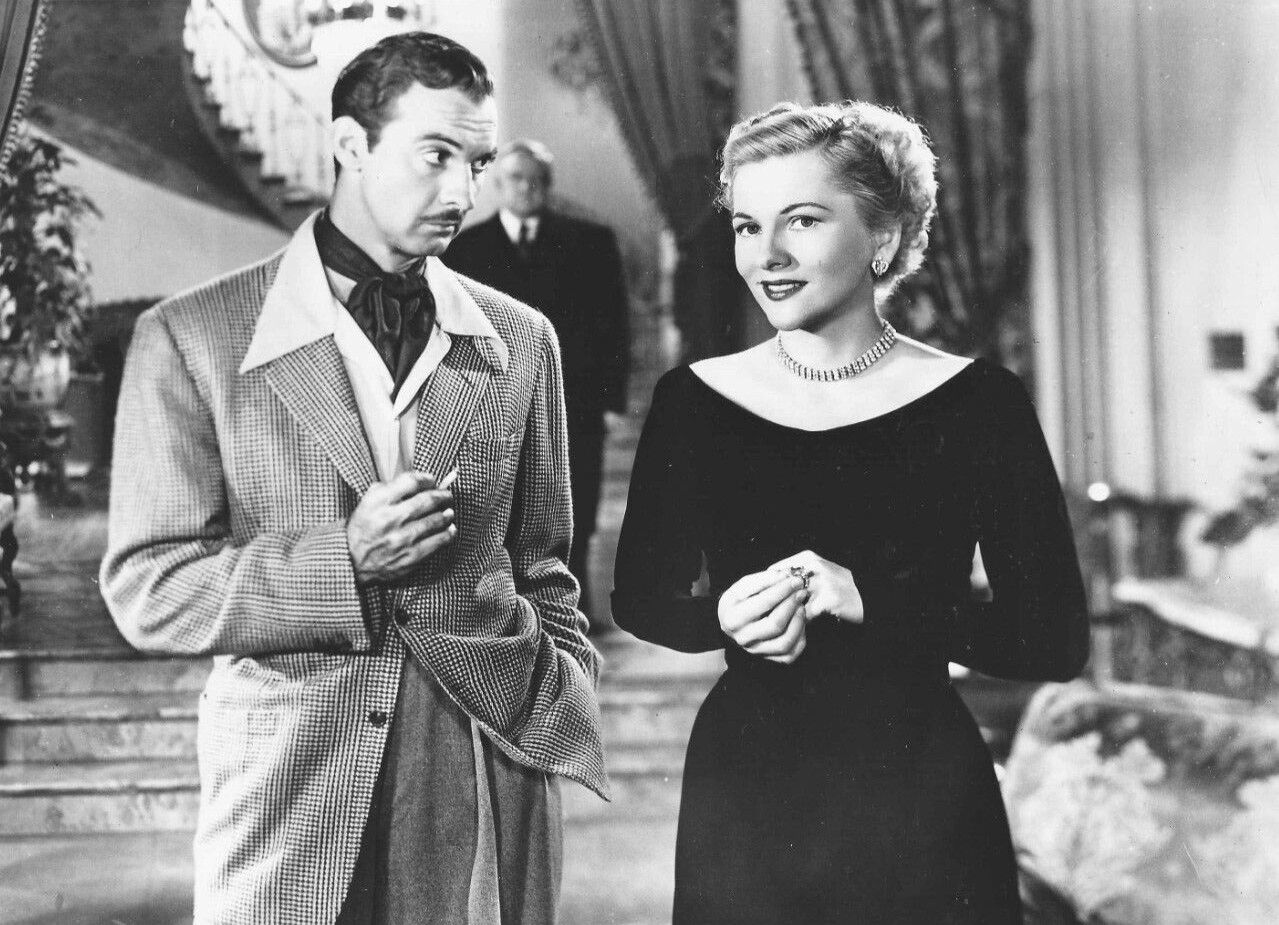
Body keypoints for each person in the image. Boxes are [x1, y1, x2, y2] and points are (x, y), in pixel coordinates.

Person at [100, 32, 606, 925]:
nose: (463, 193)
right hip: (290, 770)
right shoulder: (192, 336)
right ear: (349, 145)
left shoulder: (523, 337)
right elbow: (150, 589)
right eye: (435, 155)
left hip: (485, 752)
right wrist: (345, 561)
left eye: (477, 163)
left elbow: (545, 566)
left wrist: (560, 687)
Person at [612, 100, 1090, 925]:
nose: (766, 255)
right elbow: (639, 600)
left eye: (802, 220)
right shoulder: (691, 400)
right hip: (746, 790)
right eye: (747, 225)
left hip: (922, 793)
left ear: (884, 239)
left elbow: (1053, 636)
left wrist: (870, 600)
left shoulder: (979, 402)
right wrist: (720, 615)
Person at [444, 140, 629, 623]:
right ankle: (508, 612)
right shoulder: (465, 248)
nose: (526, 188)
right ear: (496, 184)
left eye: (536, 179)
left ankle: (573, 604)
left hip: (575, 400)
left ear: (548, 185)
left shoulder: (590, 242)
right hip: (494, 400)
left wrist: (610, 401)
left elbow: (613, 325)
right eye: (515, 178)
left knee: (575, 499)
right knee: (498, 503)